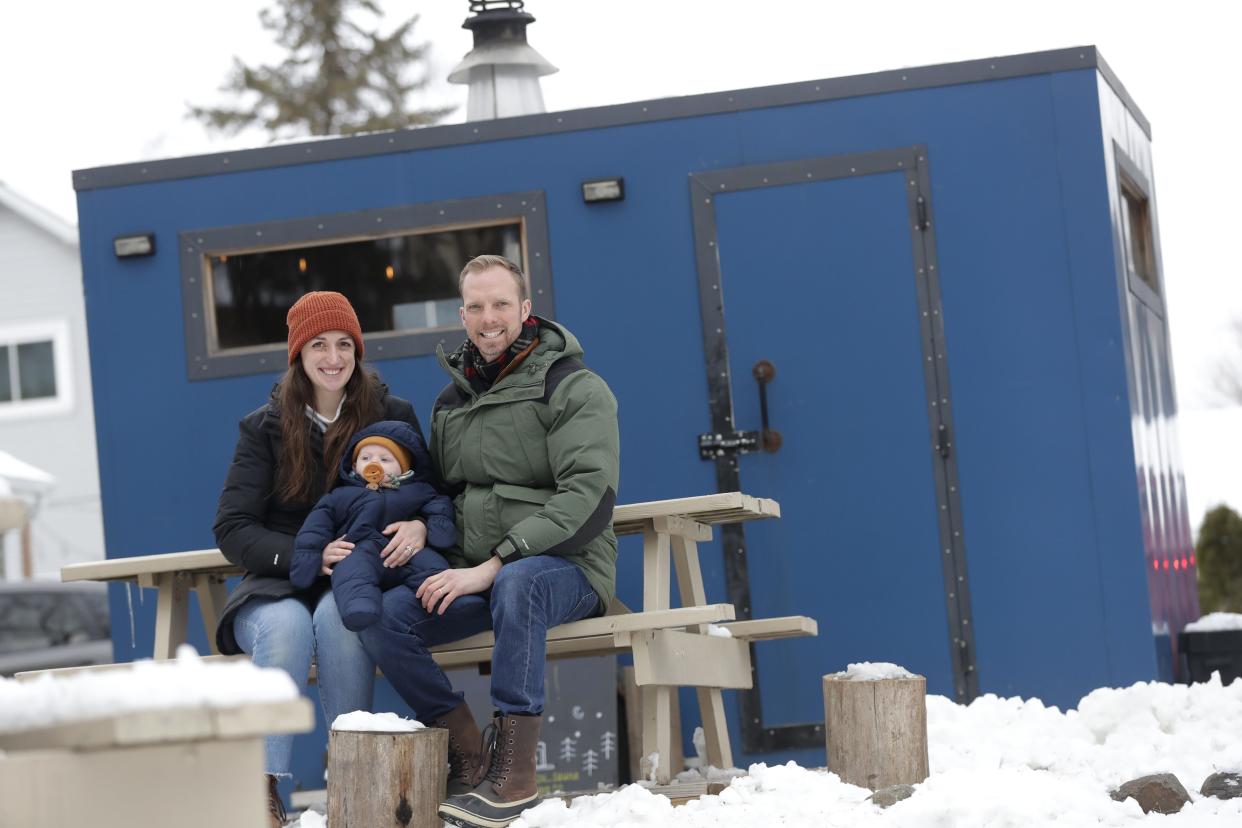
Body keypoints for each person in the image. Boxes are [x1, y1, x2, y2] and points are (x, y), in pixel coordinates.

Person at [358, 255, 621, 828]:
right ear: (462, 315)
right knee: (384, 615)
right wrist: (425, 524)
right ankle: (469, 753)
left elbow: (588, 497)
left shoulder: (573, 386)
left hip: (563, 567)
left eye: (501, 303)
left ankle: (515, 775)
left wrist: (497, 561)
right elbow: (441, 491)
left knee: (519, 583)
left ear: (526, 310)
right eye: (476, 307)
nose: (488, 317)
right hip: (473, 569)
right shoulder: (451, 403)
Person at [212, 291, 431, 828]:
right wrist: (300, 555)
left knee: (339, 618)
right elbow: (232, 526)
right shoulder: (262, 428)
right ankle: (261, 791)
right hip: (276, 583)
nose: (333, 357)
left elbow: (430, 490)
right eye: (318, 345)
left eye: (343, 344)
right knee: (287, 625)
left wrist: (422, 524)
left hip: (360, 578)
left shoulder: (391, 415)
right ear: (298, 355)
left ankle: (353, 777)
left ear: (357, 350)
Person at [289, 420, 455, 631]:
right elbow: (316, 526)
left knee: (433, 568)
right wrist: (309, 557)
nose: (373, 463)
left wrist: (438, 529)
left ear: (404, 467)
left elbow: (439, 505)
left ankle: (448, 603)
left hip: (406, 551)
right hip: (360, 550)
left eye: (385, 459)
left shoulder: (417, 490)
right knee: (350, 573)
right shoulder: (341, 495)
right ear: (354, 464)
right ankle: (359, 608)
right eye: (365, 458)